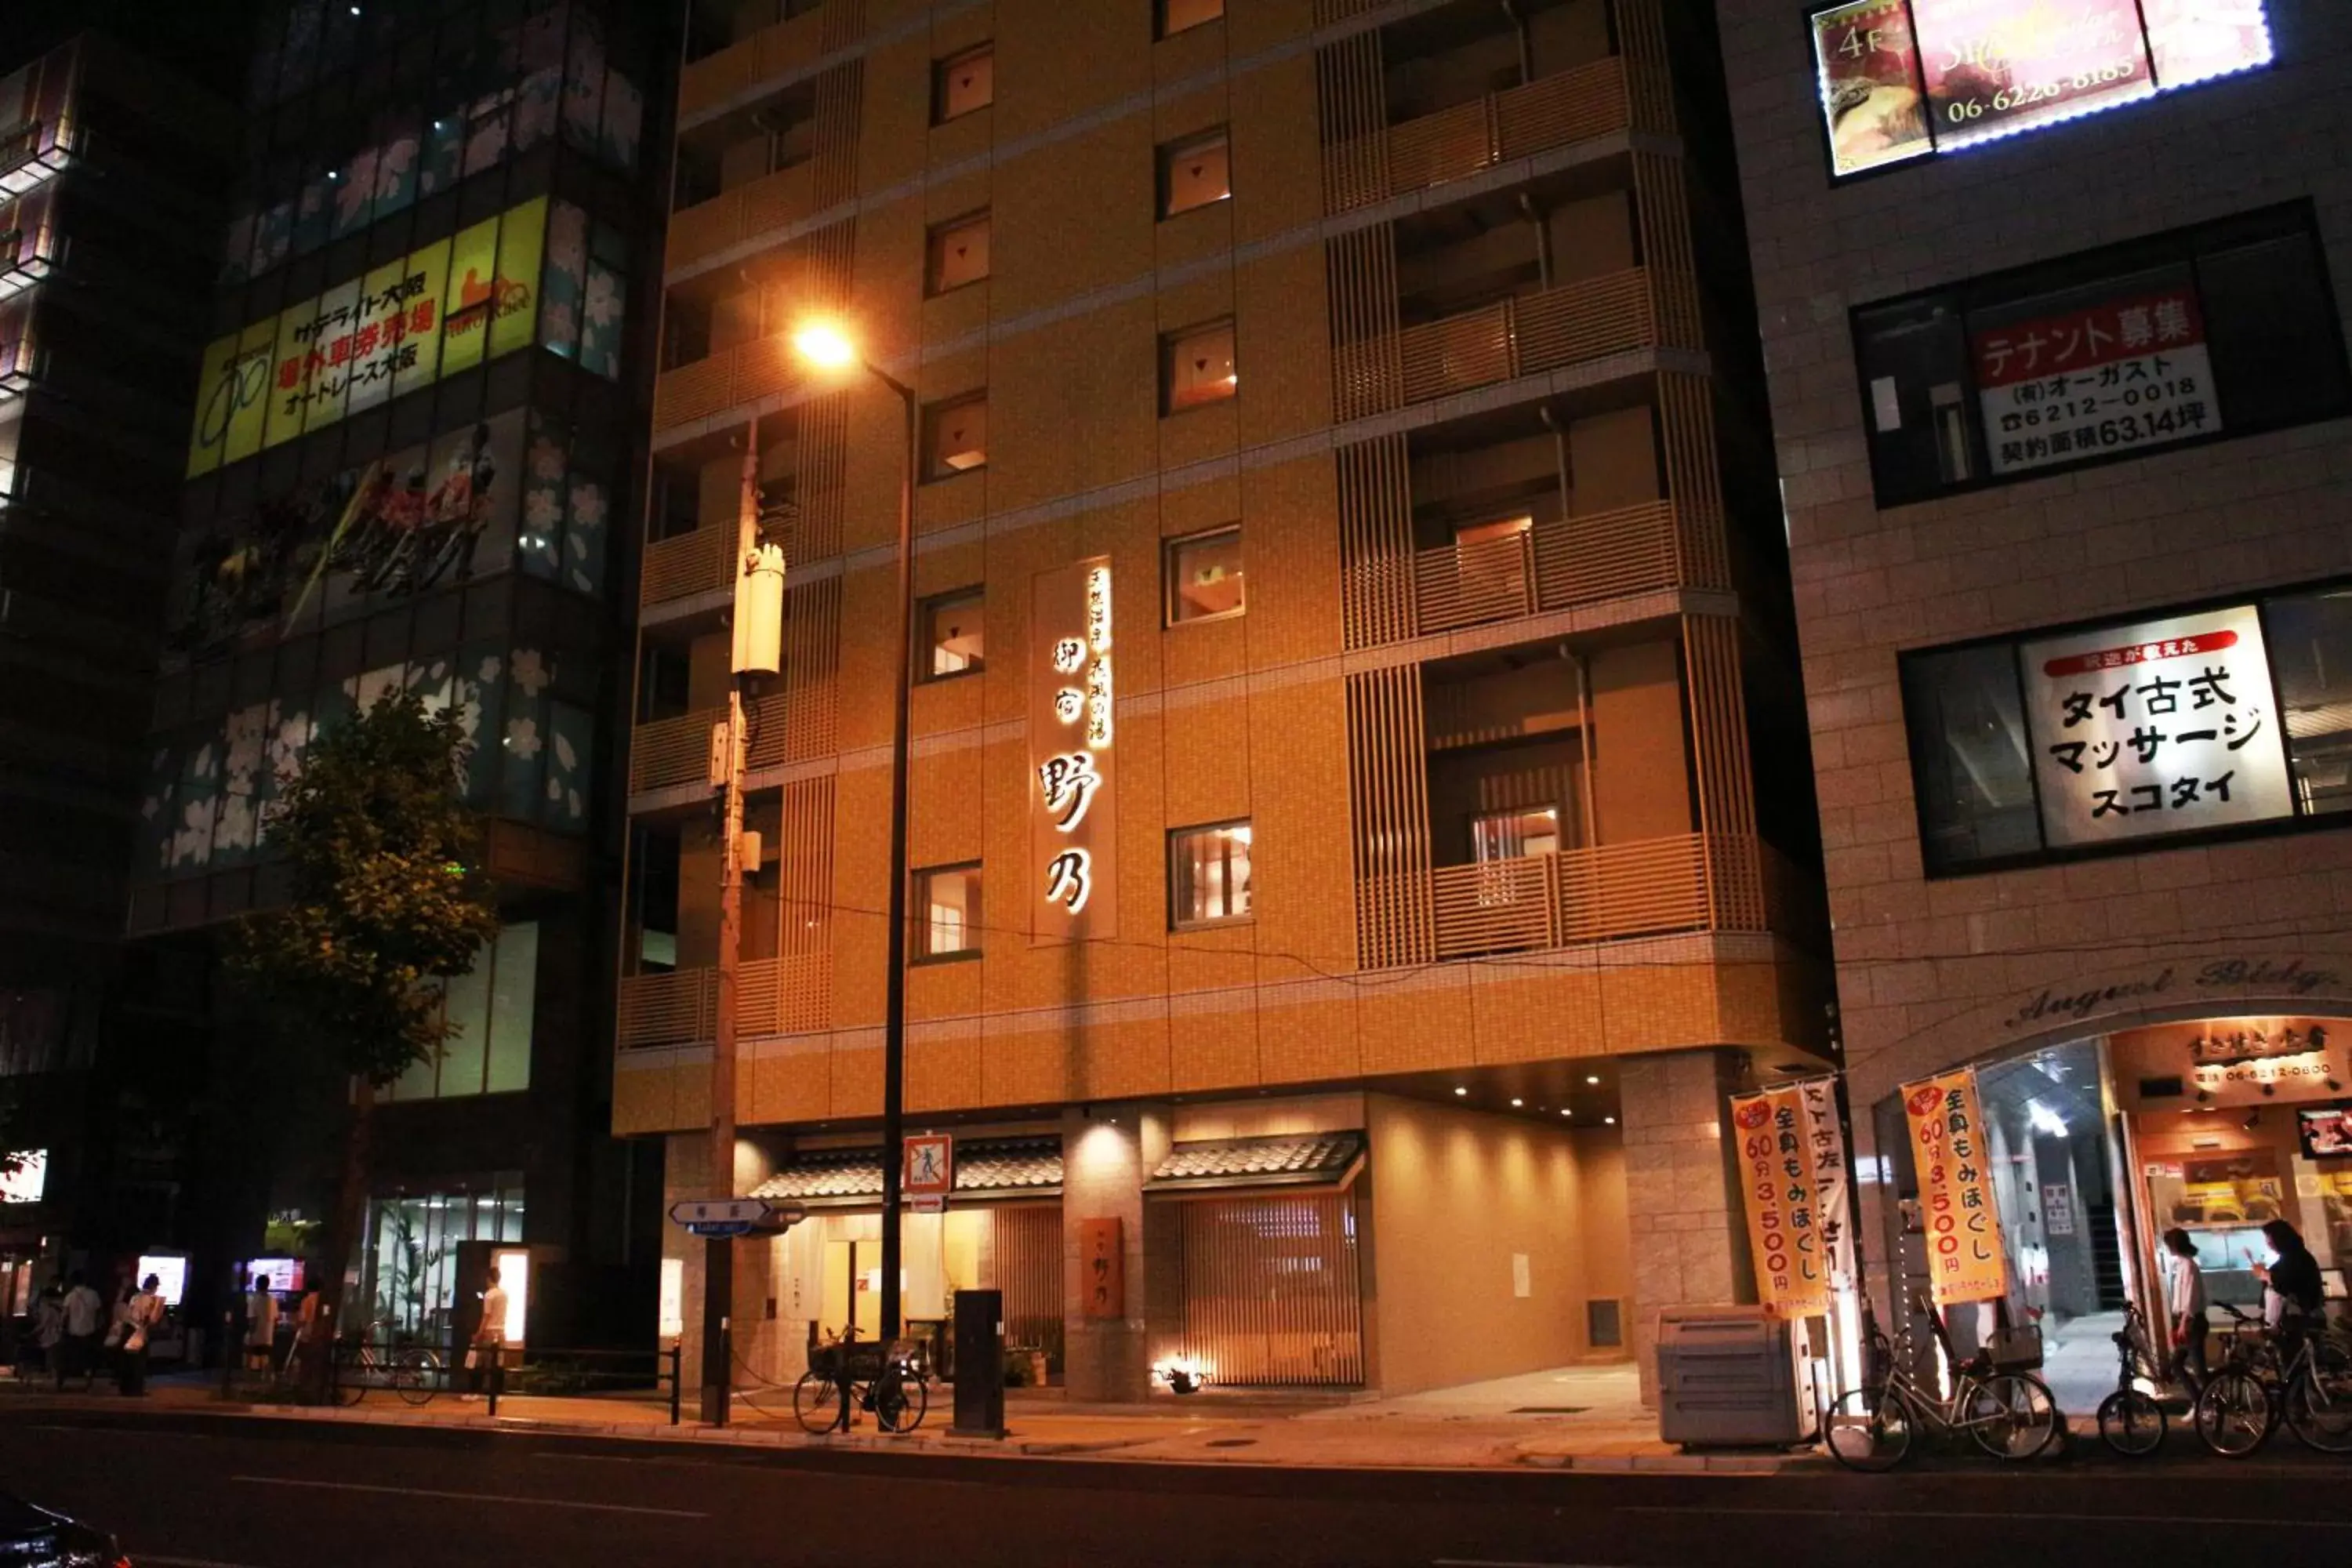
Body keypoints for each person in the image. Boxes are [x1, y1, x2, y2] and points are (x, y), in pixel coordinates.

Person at [2259, 1218, 2325, 1347]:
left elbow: (2284, 1285)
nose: (2267, 1242)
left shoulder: (2294, 1258)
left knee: (2292, 1358)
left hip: (2295, 1320)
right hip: (2300, 1317)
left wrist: (2266, 1275)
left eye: (2268, 1237)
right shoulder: (2297, 1256)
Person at [2160, 1227, 2209, 1390]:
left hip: (2191, 1321)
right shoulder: (2182, 1264)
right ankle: (2200, 1402)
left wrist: (2182, 1323)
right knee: (2180, 1365)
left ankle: (2206, 1403)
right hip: (2187, 1320)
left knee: (2197, 1367)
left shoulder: (2188, 1265)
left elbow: (2190, 1297)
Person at [115, 1275, 165, 1396]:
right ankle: (137, 1389)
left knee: (128, 1361)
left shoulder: (135, 1297)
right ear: (154, 1286)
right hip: (141, 1331)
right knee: (139, 1363)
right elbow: (153, 1320)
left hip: (129, 1330)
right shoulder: (153, 1300)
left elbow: (127, 1315)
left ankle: (125, 1389)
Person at [463, 1266, 507, 1403]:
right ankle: (497, 1394)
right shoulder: (504, 1294)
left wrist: (478, 1334)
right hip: (501, 1332)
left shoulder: (489, 1295)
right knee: (497, 1363)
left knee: (480, 1363)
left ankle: (474, 1392)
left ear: (489, 1279)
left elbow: (486, 1316)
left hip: (489, 1331)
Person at [56, 1272, 101, 1391]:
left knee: (67, 1358)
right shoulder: (94, 1295)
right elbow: (98, 1314)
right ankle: (88, 1383)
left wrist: (61, 1328)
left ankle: (61, 1382)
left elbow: (65, 1315)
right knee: (88, 1359)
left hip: (73, 1331)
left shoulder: (70, 1296)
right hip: (90, 1331)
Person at [243, 1273, 279, 1374]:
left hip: (256, 1337)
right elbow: (276, 1319)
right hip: (268, 1338)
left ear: (257, 1285)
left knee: (249, 1358)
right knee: (266, 1359)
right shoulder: (273, 1300)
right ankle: (265, 1379)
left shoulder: (254, 1300)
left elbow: (252, 1321)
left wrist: (250, 1336)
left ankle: (250, 1376)